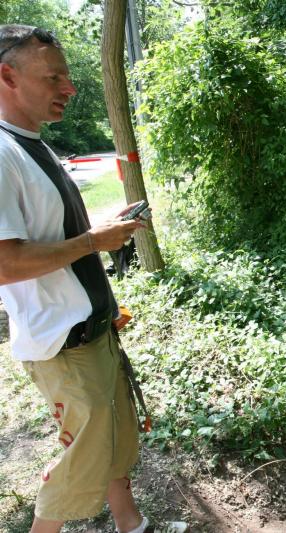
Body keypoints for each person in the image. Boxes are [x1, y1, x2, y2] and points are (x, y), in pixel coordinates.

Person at [0, 25, 184, 533]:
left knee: (116, 438)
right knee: (82, 461)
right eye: (53, 77)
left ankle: (131, 524)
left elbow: (52, 236)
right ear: (7, 76)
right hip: (62, 344)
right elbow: (6, 264)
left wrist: (100, 230)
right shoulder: (2, 154)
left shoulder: (33, 146)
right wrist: (91, 241)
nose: (70, 87)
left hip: (92, 330)